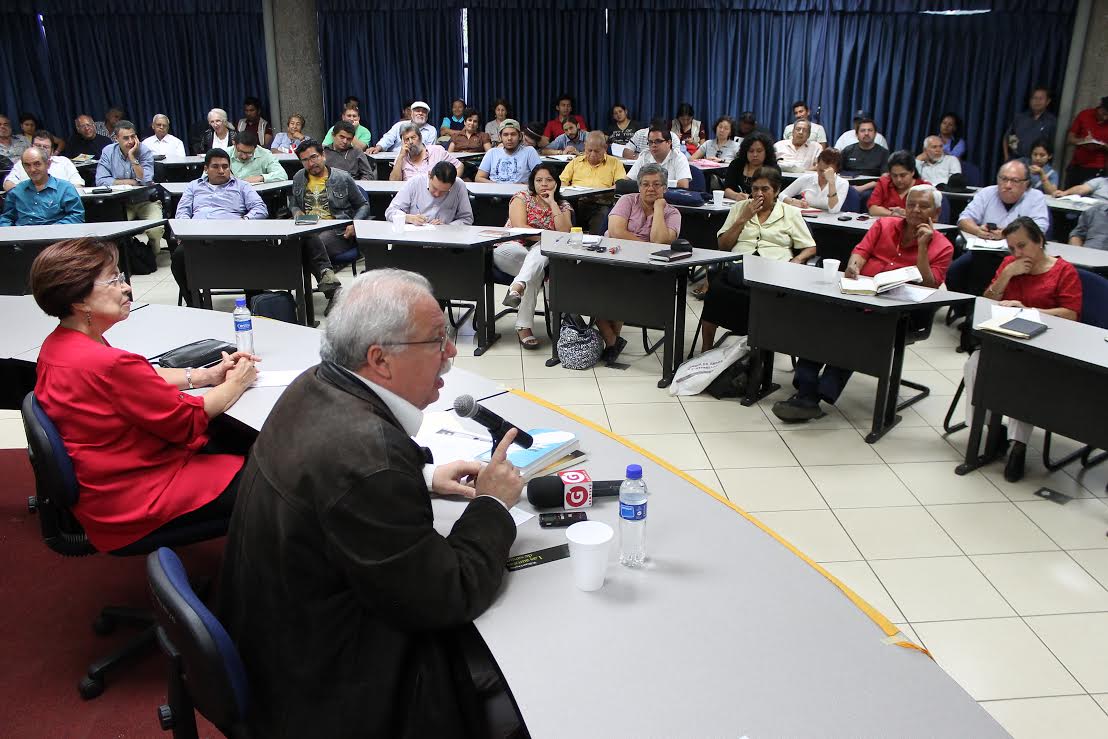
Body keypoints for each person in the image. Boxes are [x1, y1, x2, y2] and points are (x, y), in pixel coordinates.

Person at [218, 268, 525, 738]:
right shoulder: (370, 460)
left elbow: (329, 482)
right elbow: (450, 594)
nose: (451, 352)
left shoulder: (313, 384)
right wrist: (492, 505)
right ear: (380, 360)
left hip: (276, 640)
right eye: (437, 340)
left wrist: (422, 476)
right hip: (327, 688)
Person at [30, 238, 257, 553]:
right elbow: (188, 420)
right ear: (79, 300)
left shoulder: (59, 345)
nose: (126, 288)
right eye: (113, 280)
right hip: (138, 499)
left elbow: (141, 380)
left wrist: (207, 376)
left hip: (106, 489)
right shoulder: (106, 363)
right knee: (274, 480)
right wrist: (238, 382)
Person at [773, 186, 953, 421]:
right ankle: (807, 388)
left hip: (900, 312)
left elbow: (930, 285)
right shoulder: (884, 225)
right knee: (820, 317)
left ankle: (813, 395)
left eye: (924, 206)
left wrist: (922, 247)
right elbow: (861, 251)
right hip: (861, 295)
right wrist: (854, 266)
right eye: (911, 205)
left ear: (936, 213)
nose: (916, 210)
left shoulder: (943, 246)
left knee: (856, 329)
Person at [964, 217, 1082, 481]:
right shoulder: (1009, 265)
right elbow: (986, 301)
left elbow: (1071, 314)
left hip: (1043, 346)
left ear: (1039, 241)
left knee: (1024, 376)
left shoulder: (1063, 271)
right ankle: (988, 431)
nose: (1017, 253)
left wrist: (1029, 310)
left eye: (1022, 246)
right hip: (1006, 340)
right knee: (974, 364)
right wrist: (1006, 275)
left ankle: (1019, 444)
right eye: (1011, 248)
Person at [700, 167, 816, 352]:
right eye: (755, 189)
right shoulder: (739, 208)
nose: (759, 194)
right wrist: (742, 219)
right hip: (740, 267)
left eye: (765, 189)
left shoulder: (790, 213)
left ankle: (759, 348)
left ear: (776, 191)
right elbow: (723, 246)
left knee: (762, 294)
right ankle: (706, 349)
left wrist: (798, 260)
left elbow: (810, 247)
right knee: (716, 290)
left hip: (774, 271)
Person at [602, 163, 682, 362]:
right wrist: (647, 246)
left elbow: (660, 241)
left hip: (645, 269)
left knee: (619, 287)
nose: (650, 188)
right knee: (589, 288)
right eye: (645, 184)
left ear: (665, 188)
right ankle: (612, 340)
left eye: (656, 184)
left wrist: (659, 208)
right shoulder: (627, 200)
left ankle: (612, 342)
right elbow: (616, 231)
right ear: (638, 186)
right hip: (612, 259)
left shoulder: (672, 213)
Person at [172, 148, 268, 304]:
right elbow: (182, 212)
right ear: (206, 169)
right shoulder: (193, 186)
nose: (221, 171)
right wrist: (187, 230)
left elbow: (260, 208)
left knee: (255, 253)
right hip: (199, 238)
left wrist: (245, 220)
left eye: (225, 166)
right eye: (215, 166)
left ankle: (255, 304)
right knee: (178, 257)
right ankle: (196, 304)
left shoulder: (242, 186)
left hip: (233, 238)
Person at [496, 164, 574, 349]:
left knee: (537, 263)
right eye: (539, 180)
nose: (544, 184)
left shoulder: (563, 205)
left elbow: (565, 232)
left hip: (541, 254)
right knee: (539, 260)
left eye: (549, 180)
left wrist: (552, 203)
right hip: (510, 248)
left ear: (556, 183)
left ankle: (519, 292)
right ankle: (540, 322)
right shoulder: (521, 198)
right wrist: (549, 236)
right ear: (533, 182)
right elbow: (520, 228)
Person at [290, 140, 372, 301]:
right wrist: (296, 211)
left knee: (307, 246)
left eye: (314, 157)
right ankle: (332, 287)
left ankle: (330, 293)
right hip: (307, 228)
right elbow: (293, 203)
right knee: (306, 240)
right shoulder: (298, 177)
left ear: (323, 155)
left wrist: (354, 223)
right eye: (305, 160)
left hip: (338, 231)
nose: (310, 163)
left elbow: (363, 205)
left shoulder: (342, 177)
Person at [95, 120, 165, 253]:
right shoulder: (108, 151)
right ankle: (129, 256)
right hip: (121, 203)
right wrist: (131, 182)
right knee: (114, 232)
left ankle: (152, 257)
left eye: (133, 136)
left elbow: (146, 180)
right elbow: (100, 180)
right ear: (116, 139)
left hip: (146, 201)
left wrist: (132, 157)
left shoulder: (144, 151)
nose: (131, 141)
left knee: (155, 230)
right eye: (126, 138)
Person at [957, 160, 1050, 238]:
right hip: (985, 249)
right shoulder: (986, 193)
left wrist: (1008, 234)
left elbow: (1039, 230)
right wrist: (977, 230)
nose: (1008, 185)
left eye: (1015, 181)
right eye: (1004, 179)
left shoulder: (1036, 197)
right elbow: (963, 219)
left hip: (1020, 252)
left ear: (1026, 183)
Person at [0, 148, 84, 226]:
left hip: (56, 235)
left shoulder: (65, 188)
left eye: (37, 164)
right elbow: (6, 217)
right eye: (27, 165)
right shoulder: (17, 191)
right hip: (21, 235)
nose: (32, 169)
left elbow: (77, 216)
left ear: (48, 164)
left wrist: (52, 230)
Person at [384, 161, 473, 226]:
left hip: (445, 239)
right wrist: (409, 218)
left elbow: (467, 218)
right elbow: (390, 212)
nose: (437, 194)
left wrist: (448, 227)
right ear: (429, 175)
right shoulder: (415, 182)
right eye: (434, 188)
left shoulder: (459, 185)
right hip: (414, 238)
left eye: (444, 191)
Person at [4, 130, 84, 192]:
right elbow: (8, 184)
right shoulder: (22, 163)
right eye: (38, 146)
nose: (41, 149)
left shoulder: (64, 162)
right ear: (31, 147)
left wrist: (61, 195)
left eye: (45, 147)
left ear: (52, 150)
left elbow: (78, 184)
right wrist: (25, 195)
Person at [780, 148, 848, 213]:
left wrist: (831, 183)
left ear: (836, 170)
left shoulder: (842, 183)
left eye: (828, 172)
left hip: (829, 219)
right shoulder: (806, 178)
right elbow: (781, 195)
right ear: (817, 165)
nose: (823, 174)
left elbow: (834, 210)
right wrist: (793, 201)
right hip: (806, 216)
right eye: (821, 170)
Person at [389, 124, 462, 182]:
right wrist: (401, 157)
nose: (410, 142)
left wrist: (449, 187)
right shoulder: (401, 158)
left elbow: (459, 166)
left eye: (413, 138)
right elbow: (393, 182)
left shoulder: (437, 151)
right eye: (407, 139)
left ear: (420, 137)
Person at [627, 123, 691, 188]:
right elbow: (627, 181)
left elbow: (683, 185)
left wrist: (652, 185)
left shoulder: (679, 157)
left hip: (670, 194)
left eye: (658, 141)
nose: (653, 145)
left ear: (669, 142)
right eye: (650, 142)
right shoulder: (644, 156)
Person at [868, 150, 930, 217]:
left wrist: (907, 214)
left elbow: (930, 214)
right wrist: (892, 214)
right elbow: (872, 209)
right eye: (894, 175)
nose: (899, 180)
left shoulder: (925, 188)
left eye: (903, 175)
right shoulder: (884, 182)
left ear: (912, 172)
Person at [476, 119, 541, 184]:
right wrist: (497, 186)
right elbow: (479, 178)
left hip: (520, 190)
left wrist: (522, 185)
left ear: (520, 136)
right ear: (500, 137)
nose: (509, 138)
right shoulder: (492, 152)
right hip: (495, 189)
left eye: (513, 134)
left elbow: (541, 177)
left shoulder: (529, 151)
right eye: (505, 135)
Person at [1004, 86, 1057, 162]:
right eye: (1034, 98)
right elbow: (1009, 137)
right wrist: (1007, 157)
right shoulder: (1020, 118)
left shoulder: (1051, 122)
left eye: (1040, 98)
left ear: (1048, 101)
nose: (1037, 101)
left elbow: (1053, 146)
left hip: (1037, 163)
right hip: (1016, 160)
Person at [723, 132, 780, 201]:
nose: (755, 154)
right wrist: (736, 195)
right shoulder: (736, 164)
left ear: (766, 152)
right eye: (751, 151)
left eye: (759, 151)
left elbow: (775, 193)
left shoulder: (773, 168)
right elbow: (727, 189)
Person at [1065, 96, 1108, 186]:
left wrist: (1103, 146)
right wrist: (1083, 141)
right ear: (1100, 107)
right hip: (1077, 165)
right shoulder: (1085, 114)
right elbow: (1070, 138)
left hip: (1097, 167)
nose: (1105, 117)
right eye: (1104, 113)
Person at [370, 101, 436, 153]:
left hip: (418, 161)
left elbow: (428, 151)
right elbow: (387, 139)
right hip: (393, 158)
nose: (420, 113)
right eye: (417, 111)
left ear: (427, 115)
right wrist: (378, 148)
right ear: (412, 113)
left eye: (424, 112)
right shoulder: (399, 125)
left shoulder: (431, 130)